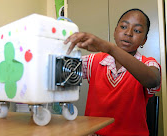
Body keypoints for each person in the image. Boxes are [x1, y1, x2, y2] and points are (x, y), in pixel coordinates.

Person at [64, 8, 161, 136]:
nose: (128, 33)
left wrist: (110, 48)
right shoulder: (93, 61)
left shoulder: (147, 64)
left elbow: (152, 80)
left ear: (144, 40)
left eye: (137, 30)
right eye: (123, 27)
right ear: (115, 32)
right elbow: (62, 70)